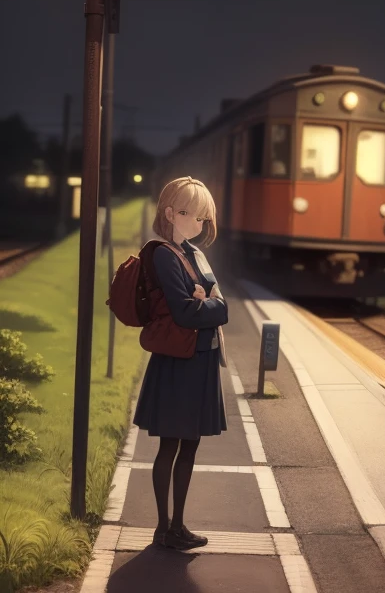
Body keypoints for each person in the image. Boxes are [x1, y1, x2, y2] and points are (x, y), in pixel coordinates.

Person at [133, 176, 228, 551]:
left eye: (204, 218)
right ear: (170, 213)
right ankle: (162, 528)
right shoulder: (162, 254)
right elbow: (186, 313)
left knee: (189, 445)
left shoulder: (194, 253)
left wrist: (209, 303)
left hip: (201, 359)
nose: (198, 224)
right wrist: (208, 304)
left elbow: (221, 305)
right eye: (193, 215)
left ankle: (178, 525)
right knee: (170, 445)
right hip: (178, 362)